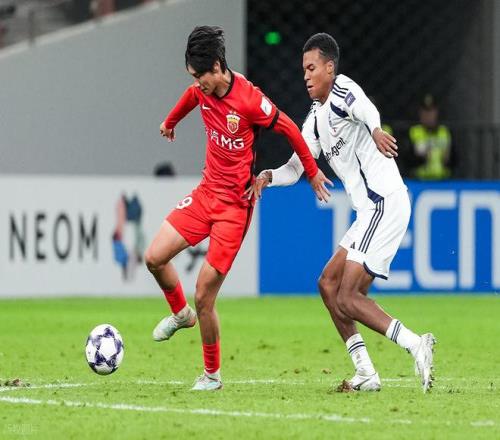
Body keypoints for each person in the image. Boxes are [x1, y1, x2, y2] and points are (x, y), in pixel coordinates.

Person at [144, 26, 331, 391]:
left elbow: (291, 130)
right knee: (154, 257)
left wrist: (311, 173)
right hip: (205, 195)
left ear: (217, 67)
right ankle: (180, 315)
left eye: (200, 76)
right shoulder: (202, 90)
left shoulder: (249, 100)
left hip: (234, 208)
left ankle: (212, 375)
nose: (197, 84)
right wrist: (170, 122)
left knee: (204, 295)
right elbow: (190, 97)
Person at [250, 33, 436, 392]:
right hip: (369, 212)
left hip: (383, 202)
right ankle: (366, 372)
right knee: (328, 285)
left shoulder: (341, 91)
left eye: (312, 68)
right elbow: (298, 165)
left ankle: (416, 344)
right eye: (303, 69)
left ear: (329, 68)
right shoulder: (314, 118)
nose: (306, 76)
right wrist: (269, 176)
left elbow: (365, 108)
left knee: (348, 296)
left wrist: (376, 129)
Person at [409, 94, 452, 180]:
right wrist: (420, 159)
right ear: (420, 113)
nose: (428, 115)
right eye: (425, 112)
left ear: (436, 112)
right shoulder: (414, 131)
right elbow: (406, 159)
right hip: (419, 180)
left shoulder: (444, 131)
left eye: (431, 111)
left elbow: (455, 159)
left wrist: (448, 158)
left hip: (443, 180)